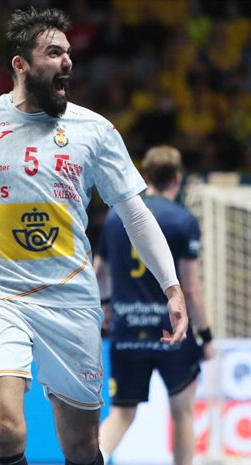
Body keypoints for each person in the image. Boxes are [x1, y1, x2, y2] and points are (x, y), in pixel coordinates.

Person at [0, 8, 189, 465]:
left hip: (70, 299)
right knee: (5, 431)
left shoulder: (94, 131)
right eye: (53, 52)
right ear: (20, 64)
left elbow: (135, 214)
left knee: (80, 445)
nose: (67, 62)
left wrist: (172, 286)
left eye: (68, 53)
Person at [94, 145, 215, 465]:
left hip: (127, 328)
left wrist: (105, 305)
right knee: (183, 412)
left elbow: (99, 272)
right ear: (179, 178)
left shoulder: (114, 217)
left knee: (121, 414)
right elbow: (189, 287)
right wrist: (205, 334)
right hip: (172, 332)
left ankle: (89, 461)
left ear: (145, 176)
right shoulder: (183, 220)